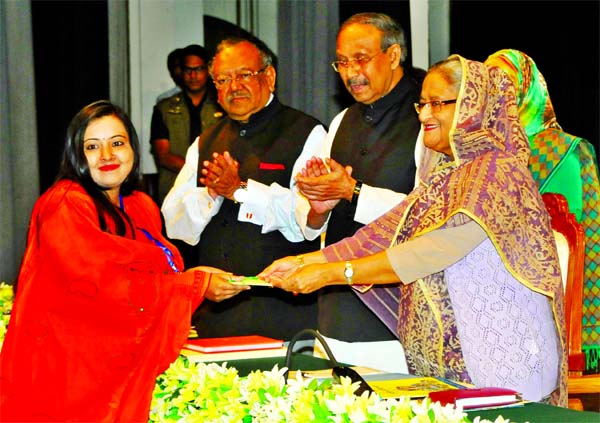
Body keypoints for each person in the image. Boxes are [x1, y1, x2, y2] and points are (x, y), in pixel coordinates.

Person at [261, 55, 567, 405]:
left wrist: (330, 273)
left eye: (438, 103)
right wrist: (304, 261)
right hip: (456, 360)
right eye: (422, 104)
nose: (423, 115)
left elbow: (432, 251)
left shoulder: (498, 173)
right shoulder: (446, 174)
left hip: (504, 355)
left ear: (473, 105)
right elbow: (386, 231)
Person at [0, 100, 249, 422]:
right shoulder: (64, 204)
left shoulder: (139, 206)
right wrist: (193, 285)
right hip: (65, 378)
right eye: (92, 146)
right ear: (76, 154)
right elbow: (98, 286)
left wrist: (194, 277)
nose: (107, 156)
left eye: (117, 143)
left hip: (110, 370)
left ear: (133, 149)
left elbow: (151, 276)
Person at [161, 37, 327, 341]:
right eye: (223, 79)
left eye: (244, 75)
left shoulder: (306, 132)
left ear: (270, 77)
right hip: (216, 313)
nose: (233, 86)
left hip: (284, 314)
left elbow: (309, 224)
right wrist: (211, 194)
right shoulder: (205, 141)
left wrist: (239, 190)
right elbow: (175, 225)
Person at [293, 12, 422, 373]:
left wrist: (353, 191)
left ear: (393, 56)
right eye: (342, 62)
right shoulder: (341, 121)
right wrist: (319, 206)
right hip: (335, 308)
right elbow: (310, 226)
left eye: (361, 59)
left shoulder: (427, 120)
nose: (351, 73)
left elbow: (431, 217)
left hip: (395, 312)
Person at [485, 49, 600, 368]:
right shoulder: (477, 155)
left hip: (544, 310)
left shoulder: (568, 153)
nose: (497, 95)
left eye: (505, 84)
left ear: (527, 89)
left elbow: (574, 242)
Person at [150, 44, 223, 205]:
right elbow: (162, 155)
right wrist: (198, 171)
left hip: (214, 190)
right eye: (188, 70)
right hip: (175, 190)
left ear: (208, 71)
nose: (193, 75)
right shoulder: (164, 108)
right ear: (180, 72)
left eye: (199, 69)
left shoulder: (222, 106)